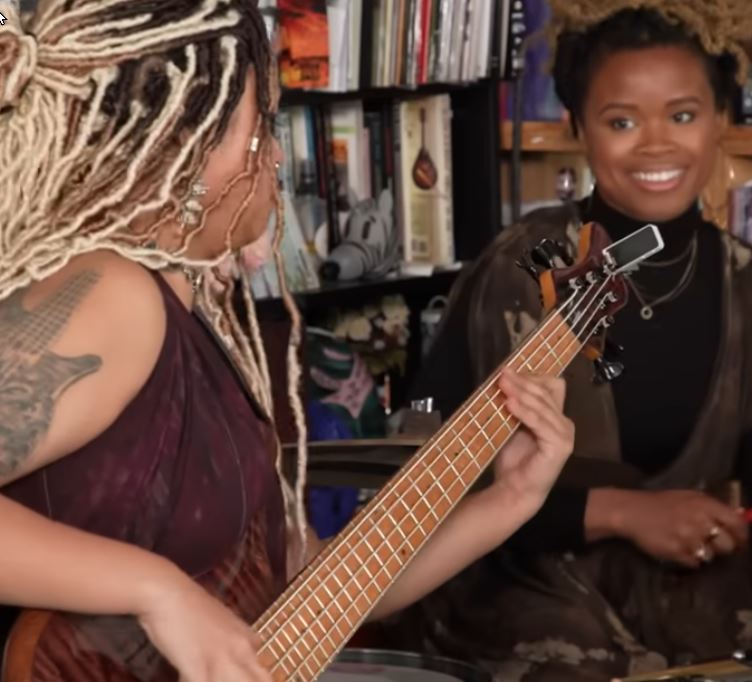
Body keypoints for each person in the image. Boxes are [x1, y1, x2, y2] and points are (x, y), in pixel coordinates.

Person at [0, 2, 575, 681]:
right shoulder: (110, 296)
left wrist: (509, 499)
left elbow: (305, 590)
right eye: (262, 124)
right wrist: (153, 590)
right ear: (184, 148)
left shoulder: (205, 316)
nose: (275, 154)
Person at [384, 2, 752, 680]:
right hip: (516, 603)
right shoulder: (522, 270)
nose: (656, 145)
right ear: (579, 129)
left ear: (720, 120)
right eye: (620, 122)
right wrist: (619, 513)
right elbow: (423, 483)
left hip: (687, 605)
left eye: (683, 115)